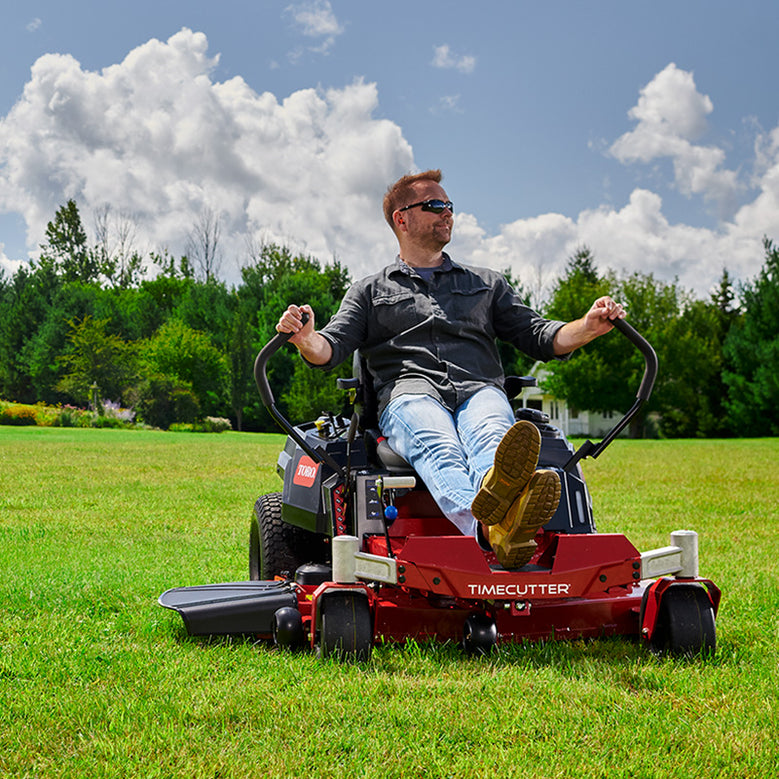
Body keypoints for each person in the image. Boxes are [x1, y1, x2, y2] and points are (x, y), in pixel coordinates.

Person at [276, 169, 625, 568]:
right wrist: (305, 338)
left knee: (493, 439)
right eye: (436, 206)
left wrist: (588, 327)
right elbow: (330, 347)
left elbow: (540, 335)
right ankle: (490, 529)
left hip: (480, 390)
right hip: (409, 394)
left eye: (450, 206)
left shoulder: (487, 283)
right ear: (401, 219)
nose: (448, 214)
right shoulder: (370, 291)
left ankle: (501, 527)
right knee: (439, 445)